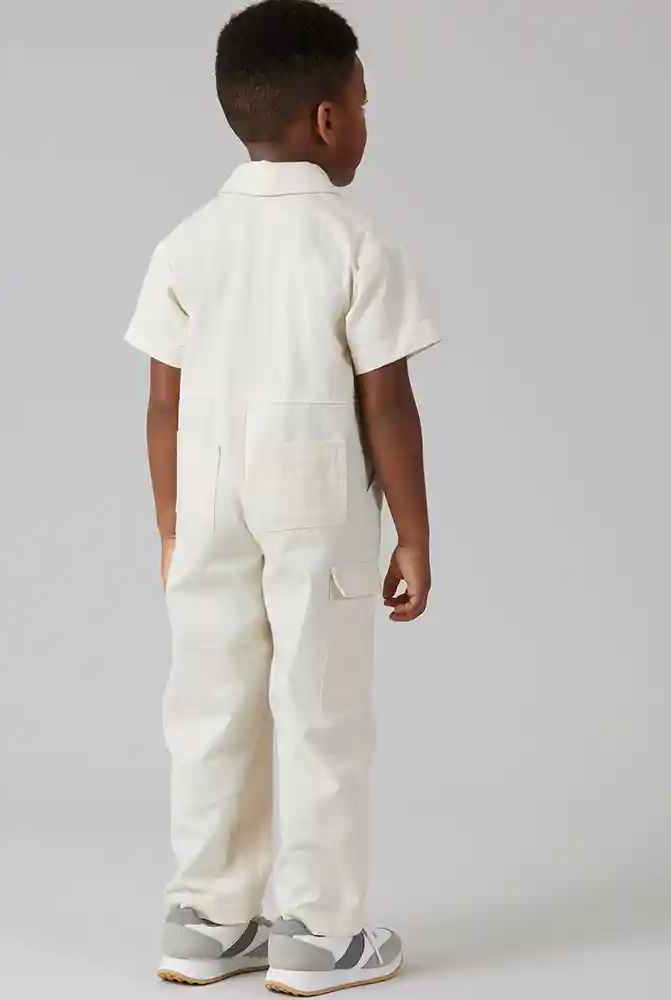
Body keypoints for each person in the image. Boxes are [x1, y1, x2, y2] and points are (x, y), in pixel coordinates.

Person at [125, 0, 438, 993]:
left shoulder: (185, 243)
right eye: (363, 101)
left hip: (207, 488)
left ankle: (205, 917)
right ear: (328, 119)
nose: (364, 119)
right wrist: (413, 534)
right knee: (318, 703)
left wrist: (172, 521)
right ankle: (318, 930)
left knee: (210, 700)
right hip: (315, 487)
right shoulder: (355, 242)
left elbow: (162, 403)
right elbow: (385, 400)